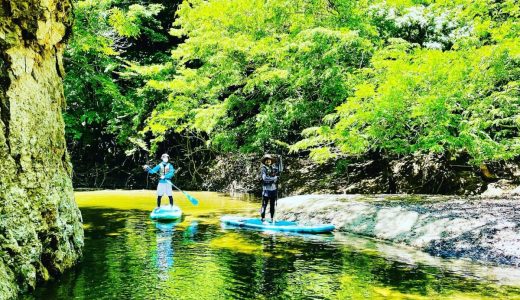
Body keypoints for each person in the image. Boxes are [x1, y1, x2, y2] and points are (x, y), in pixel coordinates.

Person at [260, 154, 279, 224]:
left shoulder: (272, 168)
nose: (268, 161)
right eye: (267, 160)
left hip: (273, 189)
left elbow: (276, 175)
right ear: (265, 161)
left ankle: (272, 219)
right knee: (264, 205)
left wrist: (276, 178)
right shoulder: (263, 168)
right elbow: (264, 178)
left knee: (272, 205)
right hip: (266, 190)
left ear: (271, 161)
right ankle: (263, 219)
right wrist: (274, 178)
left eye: (269, 160)